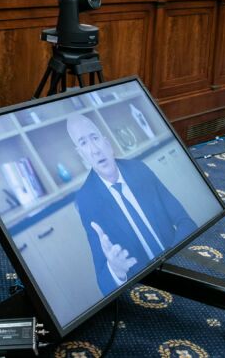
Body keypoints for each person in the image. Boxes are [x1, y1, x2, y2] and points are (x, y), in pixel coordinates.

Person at [66, 113, 197, 295]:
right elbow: (104, 284)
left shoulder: (139, 169)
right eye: (83, 143)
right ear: (82, 154)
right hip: (144, 287)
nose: (94, 149)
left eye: (94, 138)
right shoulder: (87, 201)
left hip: (177, 263)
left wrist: (173, 257)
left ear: (107, 143)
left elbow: (185, 221)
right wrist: (116, 269)